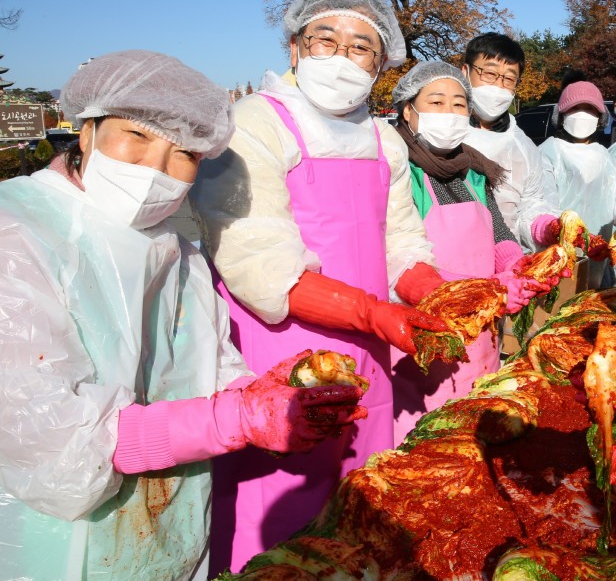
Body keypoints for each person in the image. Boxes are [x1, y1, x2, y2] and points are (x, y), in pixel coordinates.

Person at [0, 50, 364, 580]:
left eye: (184, 153)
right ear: (85, 132)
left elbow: (209, 367)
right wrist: (234, 419)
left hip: (172, 530)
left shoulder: (178, 251)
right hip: (56, 544)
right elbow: (55, 446)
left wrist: (268, 398)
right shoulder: (19, 233)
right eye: (137, 135)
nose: (157, 168)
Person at [189, 0, 448, 572]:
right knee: (285, 514)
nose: (341, 57)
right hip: (280, 349)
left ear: (380, 65)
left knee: (360, 502)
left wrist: (436, 297)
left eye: (361, 47)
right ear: (294, 49)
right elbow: (259, 260)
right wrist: (374, 311)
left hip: (370, 354)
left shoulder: (384, 139)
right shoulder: (257, 122)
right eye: (324, 39)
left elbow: (402, 238)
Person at [389, 61, 550, 439]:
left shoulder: (472, 169)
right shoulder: (399, 170)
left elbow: (497, 230)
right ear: (408, 109)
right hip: (422, 336)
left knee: (475, 441)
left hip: (480, 337)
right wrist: (489, 292)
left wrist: (517, 264)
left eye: (459, 104)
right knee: (425, 449)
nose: (449, 112)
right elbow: (397, 256)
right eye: (436, 101)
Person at [458, 33, 561, 252]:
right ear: (465, 72)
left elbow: (530, 206)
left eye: (508, 78)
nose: (498, 85)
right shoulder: (440, 131)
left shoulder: (524, 148)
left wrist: (544, 227)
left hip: (505, 262)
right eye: (489, 73)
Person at [539, 81, 616, 288]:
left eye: (589, 109)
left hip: (599, 251)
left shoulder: (604, 155)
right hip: (559, 253)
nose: (582, 114)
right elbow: (542, 205)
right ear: (561, 115)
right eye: (575, 108)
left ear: (600, 118)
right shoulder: (548, 151)